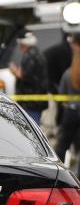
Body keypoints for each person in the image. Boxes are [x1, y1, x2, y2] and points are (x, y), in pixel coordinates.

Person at [9, 31, 49, 124]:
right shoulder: (37, 53)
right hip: (36, 101)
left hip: (30, 103)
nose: (19, 47)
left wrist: (15, 71)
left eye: (20, 44)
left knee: (29, 127)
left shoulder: (29, 56)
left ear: (24, 44)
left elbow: (26, 76)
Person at [54, 35, 80, 168]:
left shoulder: (68, 74)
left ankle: (60, 171)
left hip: (70, 112)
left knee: (62, 145)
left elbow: (61, 96)